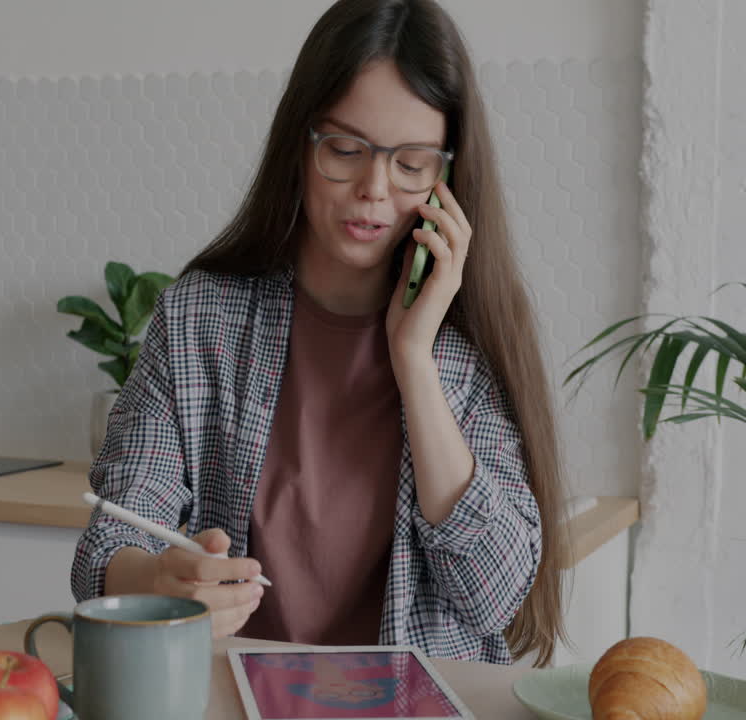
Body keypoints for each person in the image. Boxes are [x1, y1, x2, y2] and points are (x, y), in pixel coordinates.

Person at [71, 0, 568, 666]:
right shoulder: (199, 320)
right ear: (299, 145)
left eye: (411, 163)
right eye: (345, 149)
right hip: (242, 702)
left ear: (448, 176)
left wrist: (413, 359)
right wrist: (160, 580)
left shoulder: (467, 344)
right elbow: (106, 545)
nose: (374, 188)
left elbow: (496, 595)